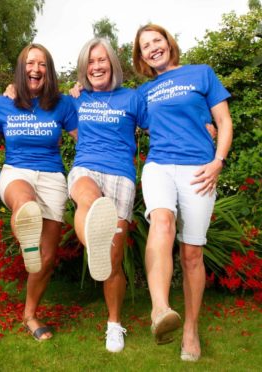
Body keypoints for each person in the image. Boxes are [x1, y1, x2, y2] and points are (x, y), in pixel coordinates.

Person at [132, 24, 233, 361]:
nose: (152, 48)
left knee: (191, 253)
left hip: (199, 171)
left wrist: (218, 161)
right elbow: (112, 109)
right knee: (162, 222)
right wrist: (77, 93)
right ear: (141, 56)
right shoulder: (145, 92)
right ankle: (160, 309)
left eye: (156, 40)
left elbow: (224, 121)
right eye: (145, 45)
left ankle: (190, 329)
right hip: (159, 165)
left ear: (168, 43)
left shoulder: (201, 74)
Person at [0, 43, 78, 341]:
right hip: (16, 172)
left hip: (53, 177)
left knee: (48, 255)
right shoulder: (2, 104)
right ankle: (27, 239)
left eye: (41, 64)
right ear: (21, 68)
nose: (35, 69)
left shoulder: (63, 104)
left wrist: (83, 92)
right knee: (24, 202)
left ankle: (30, 315)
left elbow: (88, 137)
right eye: (30, 63)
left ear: (48, 71)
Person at [68, 38, 147, 352]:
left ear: (112, 63)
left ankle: (114, 323)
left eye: (101, 60)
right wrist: (10, 90)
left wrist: (202, 125)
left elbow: (164, 125)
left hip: (121, 176)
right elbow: (36, 103)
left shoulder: (132, 98)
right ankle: (96, 243)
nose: (96, 66)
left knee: (113, 265)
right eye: (90, 61)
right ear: (84, 68)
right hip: (85, 167)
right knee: (87, 198)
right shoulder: (75, 99)